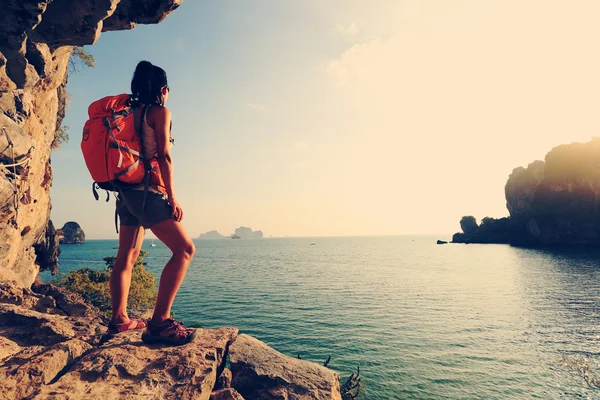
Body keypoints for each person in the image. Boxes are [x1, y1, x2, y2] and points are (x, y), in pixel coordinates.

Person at [107, 61, 197, 346]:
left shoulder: (127, 113)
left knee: (127, 257)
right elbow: (164, 156)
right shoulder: (160, 112)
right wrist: (172, 196)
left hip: (126, 191)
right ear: (163, 89)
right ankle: (159, 323)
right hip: (147, 191)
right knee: (185, 250)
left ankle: (119, 319)